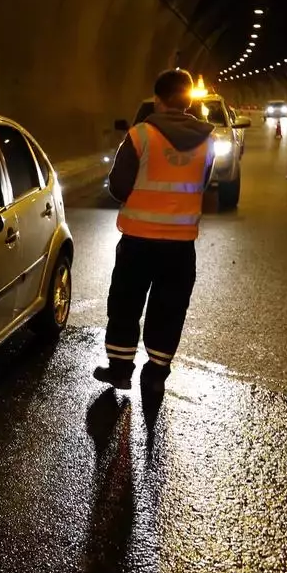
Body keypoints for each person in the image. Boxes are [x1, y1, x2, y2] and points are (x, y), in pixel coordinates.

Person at [94, 68, 215, 390]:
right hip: (180, 245)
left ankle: (120, 370)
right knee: (170, 307)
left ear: (158, 100)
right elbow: (202, 183)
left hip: (138, 240)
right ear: (188, 102)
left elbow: (118, 187)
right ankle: (156, 374)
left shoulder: (139, 136)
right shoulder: (206, 140)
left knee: (125, 303)